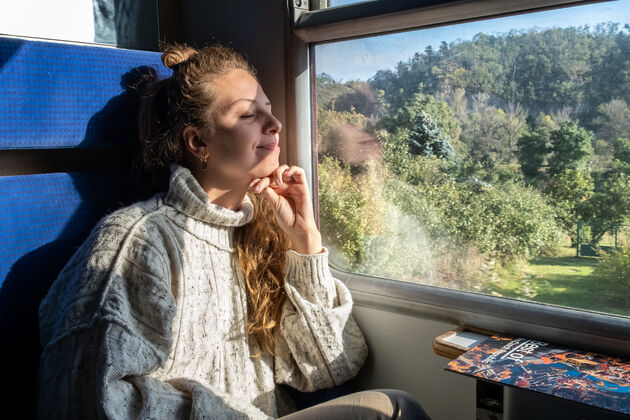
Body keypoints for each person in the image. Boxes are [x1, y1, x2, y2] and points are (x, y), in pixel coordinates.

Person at [37, 43, 430, 419]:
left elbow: (329, 369)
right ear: (198, 141)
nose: (275, 124)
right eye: (248, 115)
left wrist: (306, 243)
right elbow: (85, 398)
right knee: (393, 410)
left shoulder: (259, 231)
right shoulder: (135, 242)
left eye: (269, 110)